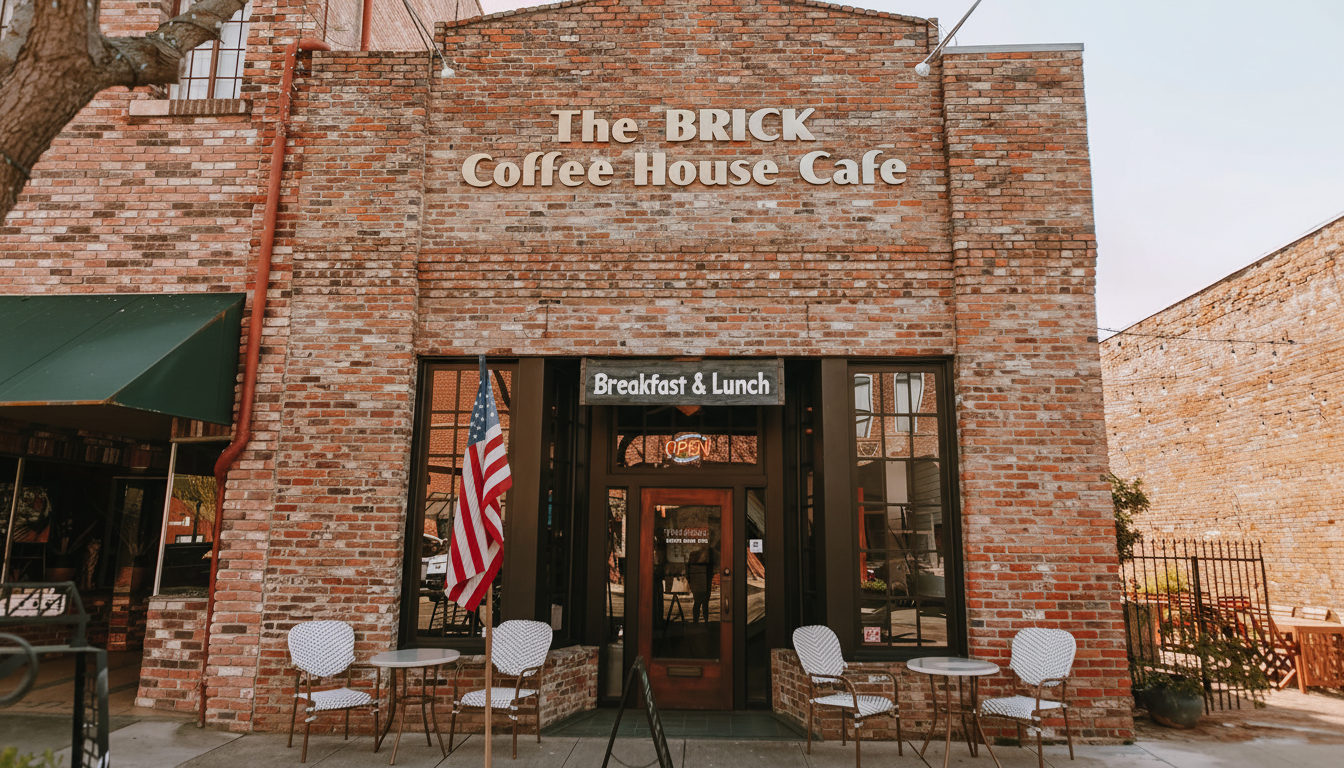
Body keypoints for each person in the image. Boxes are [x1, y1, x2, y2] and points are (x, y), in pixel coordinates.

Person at [687, 543, 714, 623]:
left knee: (701, 602)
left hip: (702, 580)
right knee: (700, 602)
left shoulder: (707, 555)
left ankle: (699, 620)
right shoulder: (697, 555)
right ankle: (701, 620)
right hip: (700, 580)